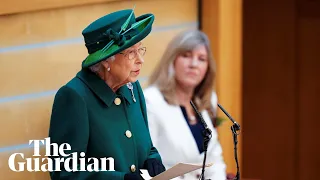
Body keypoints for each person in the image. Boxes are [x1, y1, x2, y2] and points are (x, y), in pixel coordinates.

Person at [48, 8, 165, 180]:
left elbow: (144, 145)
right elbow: (64, 172)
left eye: (140, 50)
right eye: (131, 52)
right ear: (106, 61)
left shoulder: (132, 87)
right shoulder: (74, 97)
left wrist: (152, 159)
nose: (141, 59)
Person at [143, 30, 227, 180]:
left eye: (201, 59)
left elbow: (214, 159)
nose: (194, 64)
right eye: (186, 56)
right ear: (172, 60)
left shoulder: (208, 100)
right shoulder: (151, 101)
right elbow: (147, 163)